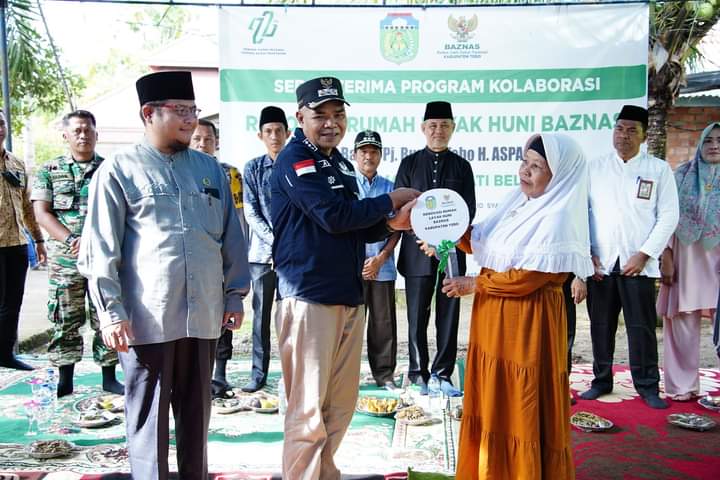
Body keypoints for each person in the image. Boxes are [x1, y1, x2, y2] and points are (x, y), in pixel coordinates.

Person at [78, 71, 250, 480]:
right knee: (149, 421)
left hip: (203, 315)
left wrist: (234, 295)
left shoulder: (211, 172)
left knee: (196, 417)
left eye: (194, 111)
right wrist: (111, 312)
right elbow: (101, 248)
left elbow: (232, 237)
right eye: (182, 111)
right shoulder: (119, 170)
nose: (192, 119)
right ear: (148, 113)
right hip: (146, 319)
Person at [271, 76, 418, 480]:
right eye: (320, 115)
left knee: (340, 404)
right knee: (307, 411)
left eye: (338, 115)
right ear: (300, 116)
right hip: (309, 297)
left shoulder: (338, 162)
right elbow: (333, 217)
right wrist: (389, 201)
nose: (331, 123)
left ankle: (324, 474)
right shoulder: (295, 160)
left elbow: (359, 227)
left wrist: (394, 222)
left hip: (348, 293)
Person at [443, 133, 593, 479]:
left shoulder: (557, 217)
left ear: (560, 177)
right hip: (494, 316)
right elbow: (482, 240)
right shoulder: (519, 204)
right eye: (525, 161)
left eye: (537, 166)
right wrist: (444, 232)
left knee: (519, 398)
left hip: (527, 324)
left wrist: (474, 283)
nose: (525, 171)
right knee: (494, 396)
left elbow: (527, 278)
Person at [580, 105, 679, 409]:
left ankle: (648, 386)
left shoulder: (657, 170)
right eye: (619, 129)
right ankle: (601, 381)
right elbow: (581, 213)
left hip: (639, 266)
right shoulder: (595, 168)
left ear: (644, 135)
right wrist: (589, 255)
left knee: (642, 328)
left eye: (631, 130)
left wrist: (645, 253)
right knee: (600, 326)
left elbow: (668, 216)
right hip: (601, 263)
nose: (623, 136)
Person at [31, 110, 122, 397]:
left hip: (103, 259)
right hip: (65, 260)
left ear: (97, 134)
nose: (83, 135)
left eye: (88, 130)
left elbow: (122, 213)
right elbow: (41, 214)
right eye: (77, 131)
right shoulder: (50, 170)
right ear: (66, 136)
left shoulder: (111, 169)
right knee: (65, 319)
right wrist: (73, 239)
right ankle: (65, 379)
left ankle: (109, 377)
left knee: (105, 316)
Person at [394, 101, 475, 396]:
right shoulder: (410, 164)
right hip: (417, 252)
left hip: (452, 253)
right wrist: (425, 239)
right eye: (432, 126)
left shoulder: (462, 167)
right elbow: (401, 207)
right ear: (423, 129)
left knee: (448, 314)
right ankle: (418, 374)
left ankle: (443, 374)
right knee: (416, 314)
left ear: (453, 128)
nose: (438, 131)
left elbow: (468, 211)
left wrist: (442, 242)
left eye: (444, 125)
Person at [656, 122, 720, 401]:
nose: (715, 145)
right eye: (709, 140)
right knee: (682, 319)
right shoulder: (680, 176)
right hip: (687, 259)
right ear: (700, 144)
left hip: (717, 262)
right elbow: (664, 217)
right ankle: (682, 387)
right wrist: (666, 254)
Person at [190, 118, 249, 395]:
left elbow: (237, 219)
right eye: (197, 138)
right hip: (190, 262)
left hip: (221, 259)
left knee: (224, 317)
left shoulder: (230, 174)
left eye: (208, 139)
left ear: (217, 143)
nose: (202, 144)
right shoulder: (181, 171)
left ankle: (220, 375)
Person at [240, 106, 290, 393]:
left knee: (289, 317)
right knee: (260, 318)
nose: (274, 136)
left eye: (278, 131)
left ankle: (290, 373)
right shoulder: (253, 168)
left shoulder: (295, 164)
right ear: (260, 135)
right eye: (268, 131)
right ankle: (258, 374)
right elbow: (251, 212)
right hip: (261, 256)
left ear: (288, 133)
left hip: (292, 258)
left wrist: (287, 244)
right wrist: (275, 241)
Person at [353, 130, 402, 391]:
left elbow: (398, 227)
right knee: (349, 324)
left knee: (383, 324)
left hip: (382, 267)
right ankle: (346, 375)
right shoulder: (347, 184)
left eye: (373, 152)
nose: (368, 156)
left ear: (380, 155)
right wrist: (362, 260)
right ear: (355, 155)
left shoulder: (389, 187)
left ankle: (384, 374)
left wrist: (382, 257)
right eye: (364, 152)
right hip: (353, 267)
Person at [0, 110, 46, 370]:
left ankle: (6, 354)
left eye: (2, 123)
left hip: (17, 242)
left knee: (13, 303)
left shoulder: (16, 164)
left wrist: (38, 240)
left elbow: (28, 207)